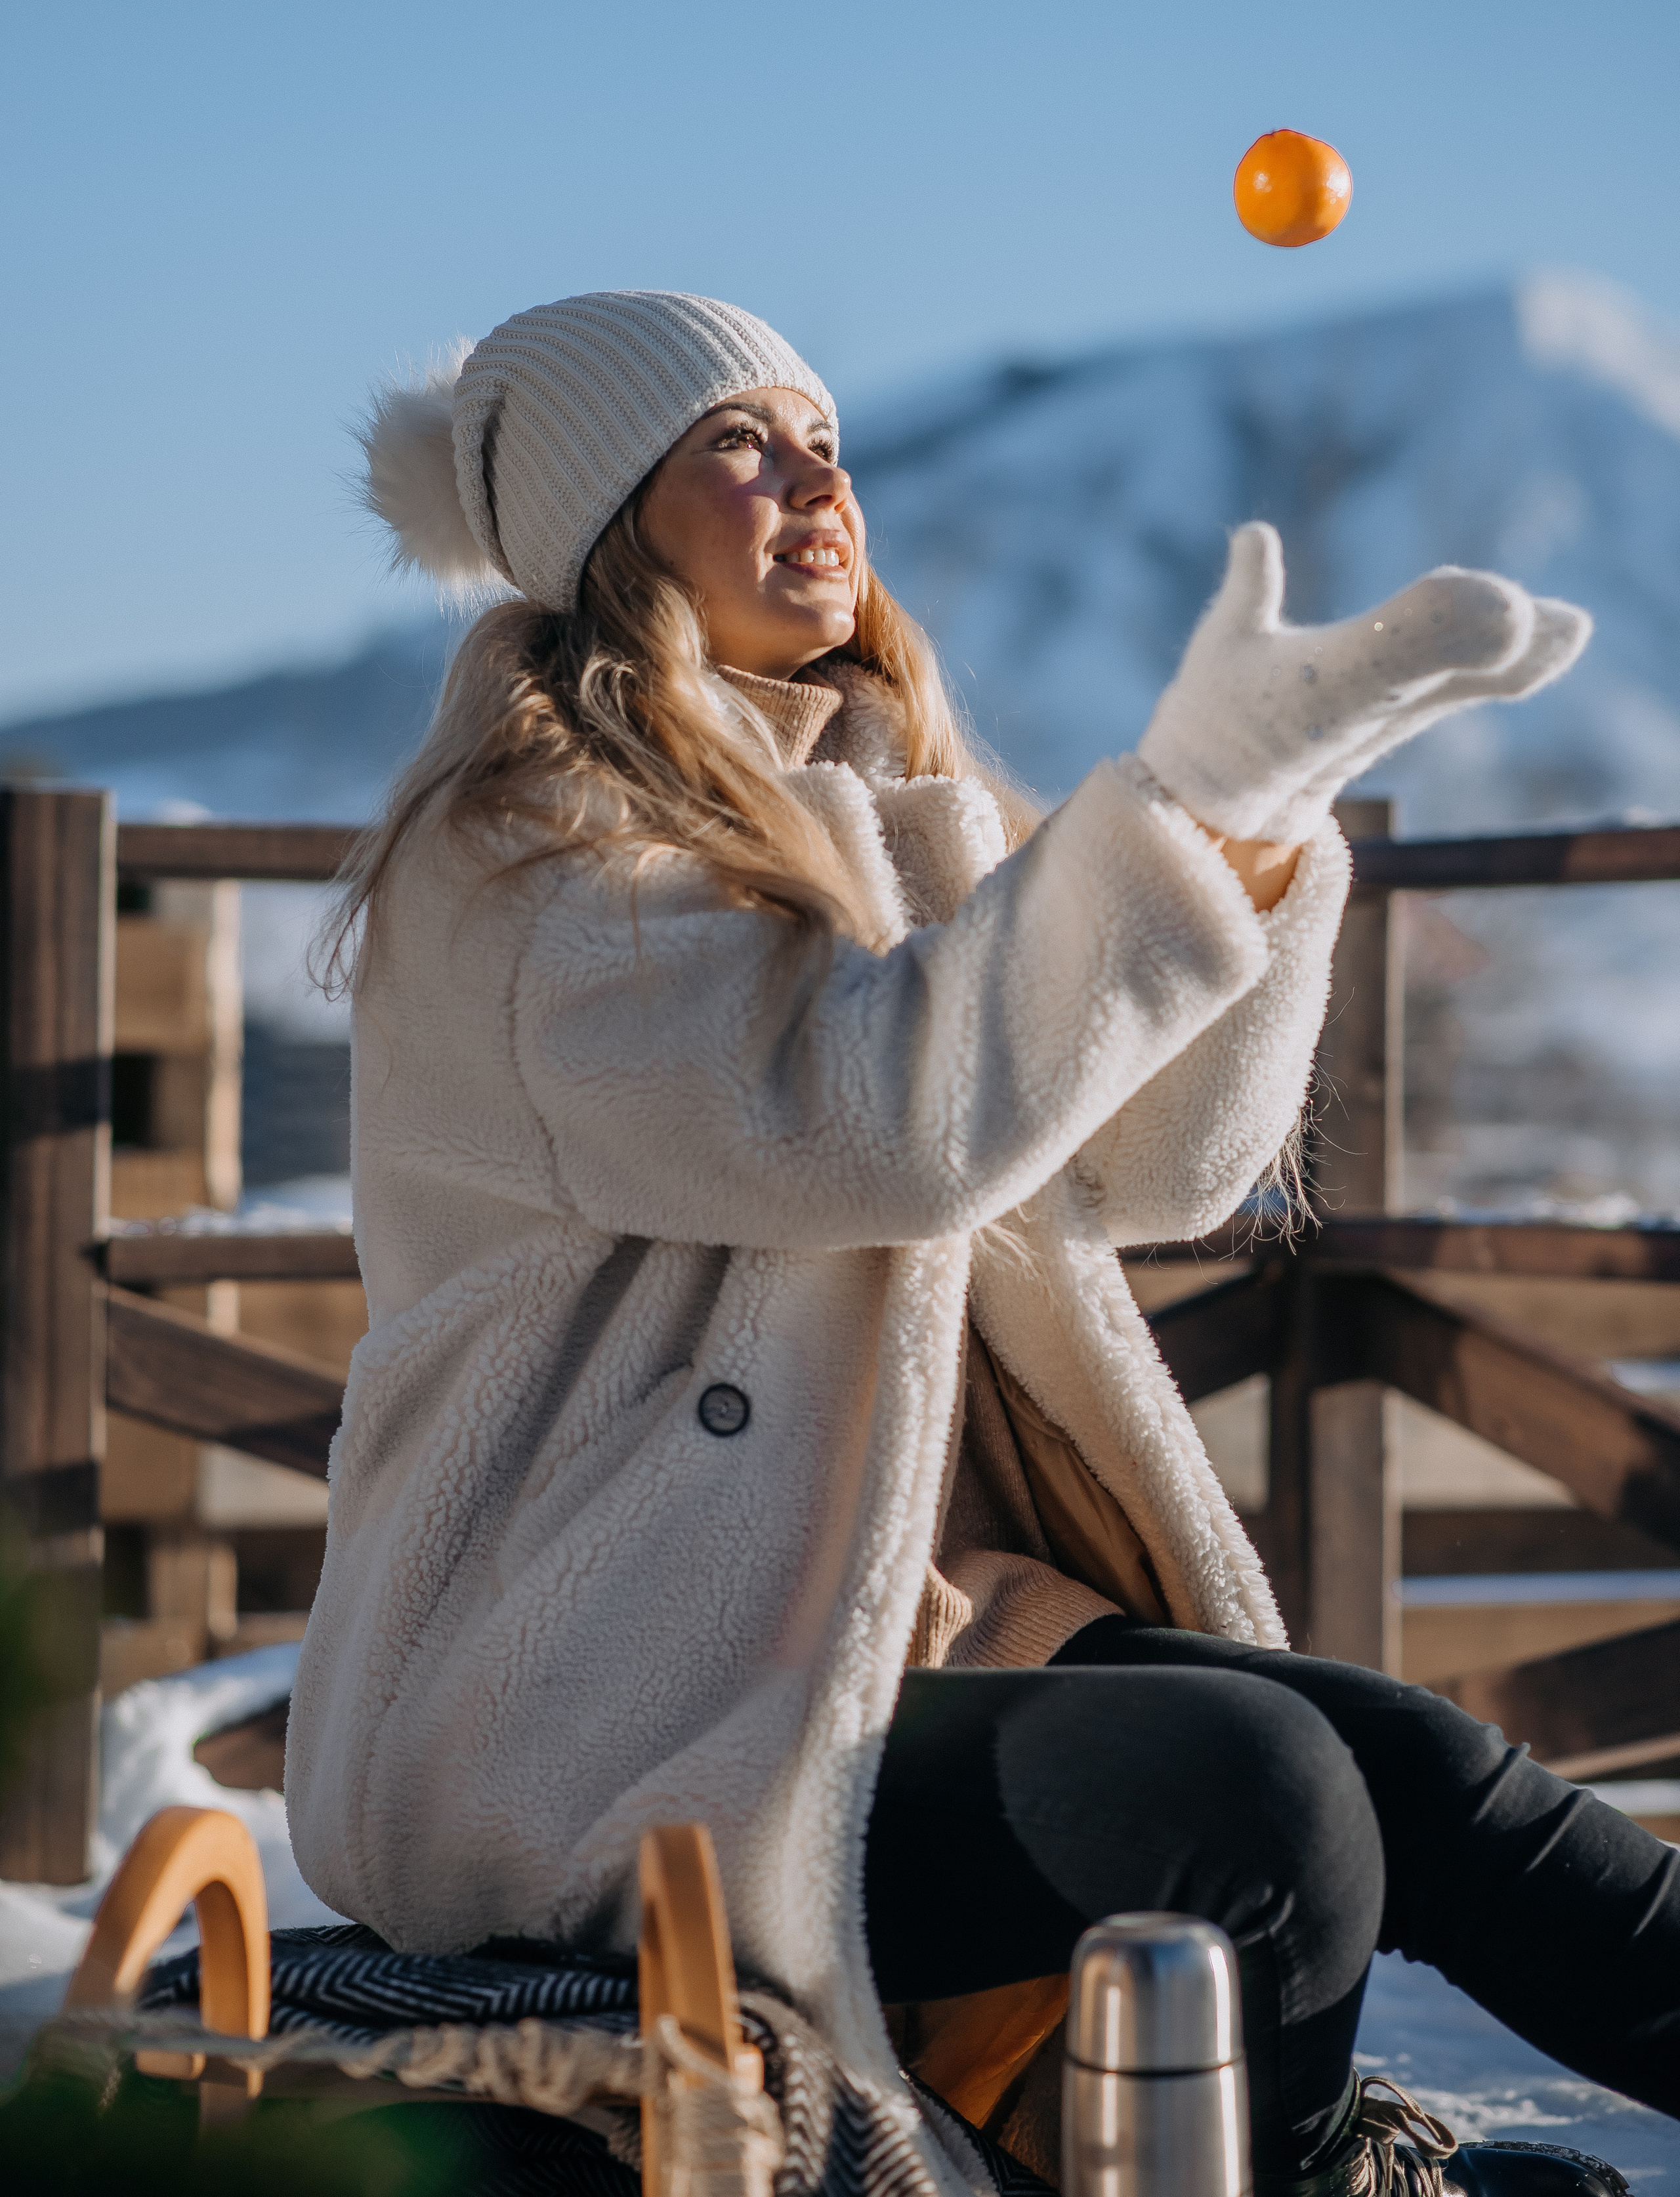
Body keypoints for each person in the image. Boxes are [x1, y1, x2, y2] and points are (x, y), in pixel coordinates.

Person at [287, 291, 1668, 2197]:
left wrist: (1254, 823)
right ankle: (1320, 2173)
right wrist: (1166, 814)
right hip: (589, 1708)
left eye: (820, 433)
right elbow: (888, 1126)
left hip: (854, 1632)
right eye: (735, 444)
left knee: (1409, 1771)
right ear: (613, 525)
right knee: (1264, 1808)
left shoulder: (865, 797)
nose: (812, 475)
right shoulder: (527, 859)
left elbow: (1154, 1160)